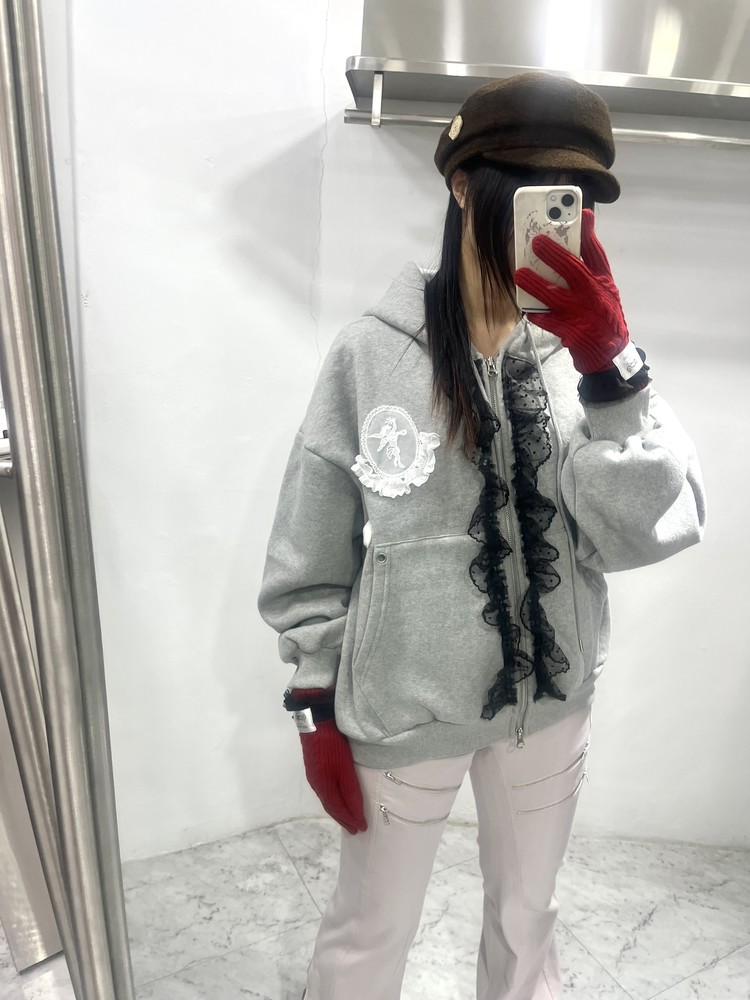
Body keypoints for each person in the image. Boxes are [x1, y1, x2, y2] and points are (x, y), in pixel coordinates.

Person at [257, 72, 706, 1000]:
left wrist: (611, 367)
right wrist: (312, 699)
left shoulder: (588, 357)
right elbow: (310, 546)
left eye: (575, 200)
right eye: (530, 188)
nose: (555, 219)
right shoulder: (370, 353)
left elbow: (650, 526)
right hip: (404, 709)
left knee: (527, 919)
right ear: (463, 186)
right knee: (369, 930)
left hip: (552, 710)